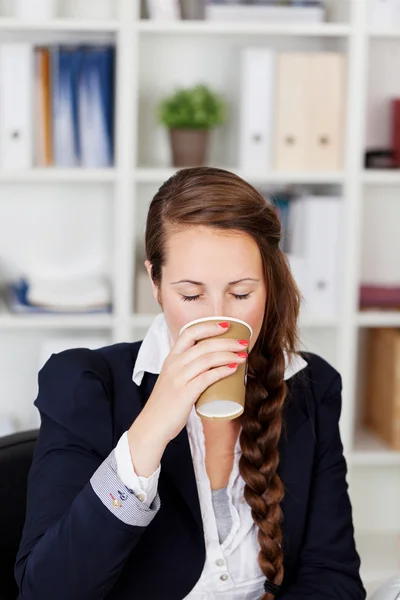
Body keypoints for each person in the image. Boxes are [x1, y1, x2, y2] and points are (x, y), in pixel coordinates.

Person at [15, 167, 366, 600]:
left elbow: (334, 578)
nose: (217, 318)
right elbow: (47, 592)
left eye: (241, 294)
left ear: (269, 285)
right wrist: (149, 433)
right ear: (156, 283)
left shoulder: (311, 388)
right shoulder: (84, 384)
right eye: (190, 295)